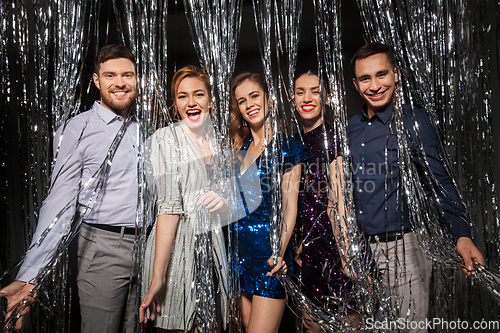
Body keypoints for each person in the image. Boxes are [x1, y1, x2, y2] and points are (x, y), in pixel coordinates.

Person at [0, 44, 141, 333]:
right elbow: (59, 204)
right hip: (102, 247)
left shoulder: (146, 127)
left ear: (137, 79)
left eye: (127, 75)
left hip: (148, 247)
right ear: (96, 80)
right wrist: (30, 274)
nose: (119, 83)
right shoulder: (78, 129)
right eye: (110, 75)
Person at [348, 42, 484, 332]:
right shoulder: (350, 128)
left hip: (405, 247)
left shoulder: (414, 121)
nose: (375, 85)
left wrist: (462, 235)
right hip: (361, 252)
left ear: (396, 74)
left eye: (381, 74)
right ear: (356, 84)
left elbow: (440, 182)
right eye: (365, 78)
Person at [139, 65, 228, 332]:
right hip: (177, 247)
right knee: (178, 325)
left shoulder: (219, 141)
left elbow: (227, 202)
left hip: (212, 246)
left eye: (198, 94)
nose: (191, 102)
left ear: (210, 99)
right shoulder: (165, 140)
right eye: (182, 96)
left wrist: (224, 203)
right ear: (174, 103)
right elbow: (168, 209)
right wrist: (158, 275)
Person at [228, 72, 306, 333]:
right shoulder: (241, 148)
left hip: (269, 257)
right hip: (239, 254)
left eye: (254, 96)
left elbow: (290, 208)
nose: (249, 104)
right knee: (247, 326)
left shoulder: (287, 147)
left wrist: (279, 253)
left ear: (268, 99)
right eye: (242, 101)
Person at [293, 71, 357, 333]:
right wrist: (301, 242)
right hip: (309, 252)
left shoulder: (333, 139)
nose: (307, 98)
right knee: (311, 327)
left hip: (335, 249)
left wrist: (346, 256)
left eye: (315, 91)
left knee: (347, 324)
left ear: (327, 97)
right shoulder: (296, 143)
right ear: (292, 98)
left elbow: (339, 201)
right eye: (300, 92)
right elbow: (302, 201)